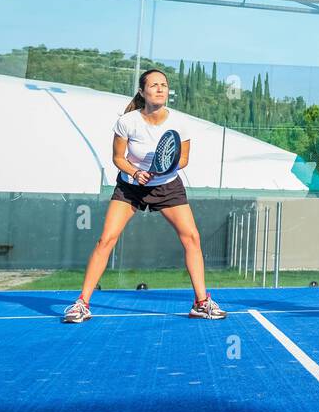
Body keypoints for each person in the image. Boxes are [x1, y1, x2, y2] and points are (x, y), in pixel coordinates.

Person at [63, 68, 226, 323]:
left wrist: (164, 167)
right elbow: (118, 158)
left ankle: (201, 303)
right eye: (154, 85)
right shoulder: (127, 122)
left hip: (167, 187)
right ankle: (81, 304)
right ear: (142, 91)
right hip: (130, 187)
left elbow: (183, 158)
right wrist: (136, 172)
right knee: (106, 239)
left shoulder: (179, 123)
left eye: (164, 85)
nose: (160, 89)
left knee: (192, 238)